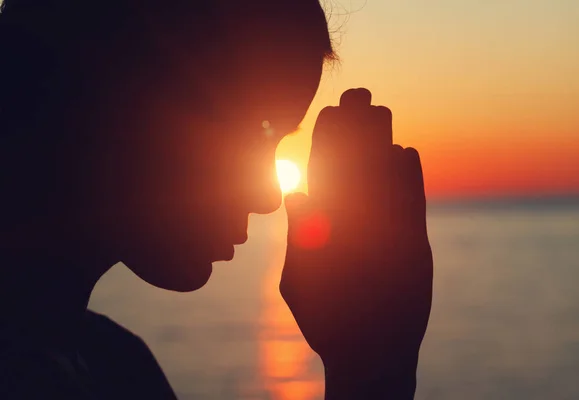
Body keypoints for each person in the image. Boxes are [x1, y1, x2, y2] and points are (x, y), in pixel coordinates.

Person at [0, 0, 433, 399]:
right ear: (115, 93)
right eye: (252, 134)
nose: (267, 198)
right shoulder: (100, 371)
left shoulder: (115, 366)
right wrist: (370, 367)